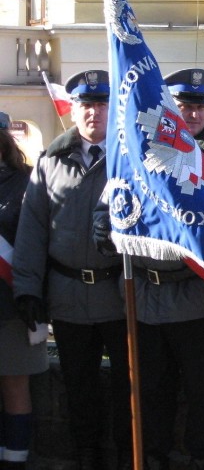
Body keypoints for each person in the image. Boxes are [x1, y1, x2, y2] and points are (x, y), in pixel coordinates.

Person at [92, 68, 204, 470]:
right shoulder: (139, 148)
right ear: (169, 108)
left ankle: (202, 458)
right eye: (184, 106)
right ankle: (152, 457)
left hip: (195, 294)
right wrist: (105, 218)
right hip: (145, 294)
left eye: (199, 106)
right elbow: (119, 192)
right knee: (149, 390)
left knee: (203, 392)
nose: (192, 114)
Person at [13, 70, 132, 470]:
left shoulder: (130, 158)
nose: (93, 113)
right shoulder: (51, 161)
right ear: (74, 109)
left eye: (101, 104)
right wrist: (27, 290)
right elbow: (32, 231)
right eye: (85, 105)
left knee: (128, 386)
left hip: (119, 293)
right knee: (79, 386)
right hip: (67, 295)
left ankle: (126, 453)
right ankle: (87, 454)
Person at [0, 111, 48, 470]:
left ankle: (14, 461)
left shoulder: (27, 182)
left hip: (12, 306)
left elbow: (38, 243)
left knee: (15, 387)